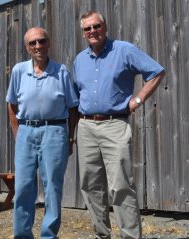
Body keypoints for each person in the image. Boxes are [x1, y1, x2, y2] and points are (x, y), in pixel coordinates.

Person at [73, 11, 165, 239]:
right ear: (83, 33)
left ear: (105, 26)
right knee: (90, 186)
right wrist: (71, 133)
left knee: (121, 185)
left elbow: (156, 72)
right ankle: (101, 235)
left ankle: (130, 237)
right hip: (85, 127)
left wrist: (137, 99)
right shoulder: (79, 59)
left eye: (96, 26)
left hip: (114, 125)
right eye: (87, 29)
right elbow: (75, 98)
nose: (92, 31)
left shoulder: (124, 50)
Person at [6, 27, 79, 239]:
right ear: (27, 48)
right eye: (33, 43)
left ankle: (48, 235)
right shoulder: (19, 71)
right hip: (26, 131)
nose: (38, 46)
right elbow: (11, 106)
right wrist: (18, 134)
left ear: (49, 43)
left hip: (55, 131)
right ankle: (22, 235)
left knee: (53, 188)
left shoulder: (61, 71)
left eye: (42, 41)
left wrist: (71, 137)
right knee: (23, 187)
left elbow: (73, 107)